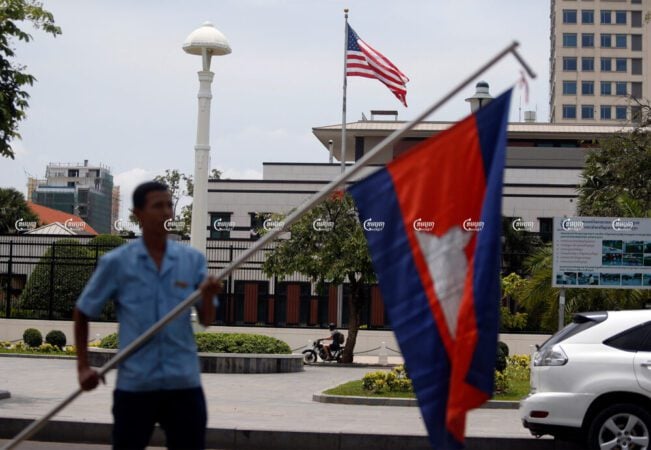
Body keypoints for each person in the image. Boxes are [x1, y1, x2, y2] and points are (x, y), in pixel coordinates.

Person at [74, 181, 223, 450]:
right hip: (136, 384)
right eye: (158, 206)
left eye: (169, 205)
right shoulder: (117, 263)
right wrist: (83, 367)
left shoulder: (192, 261)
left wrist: (208, 295)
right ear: (138, 214)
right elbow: (83, 310)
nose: (166, 212)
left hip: (183, 383)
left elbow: (207, 320)